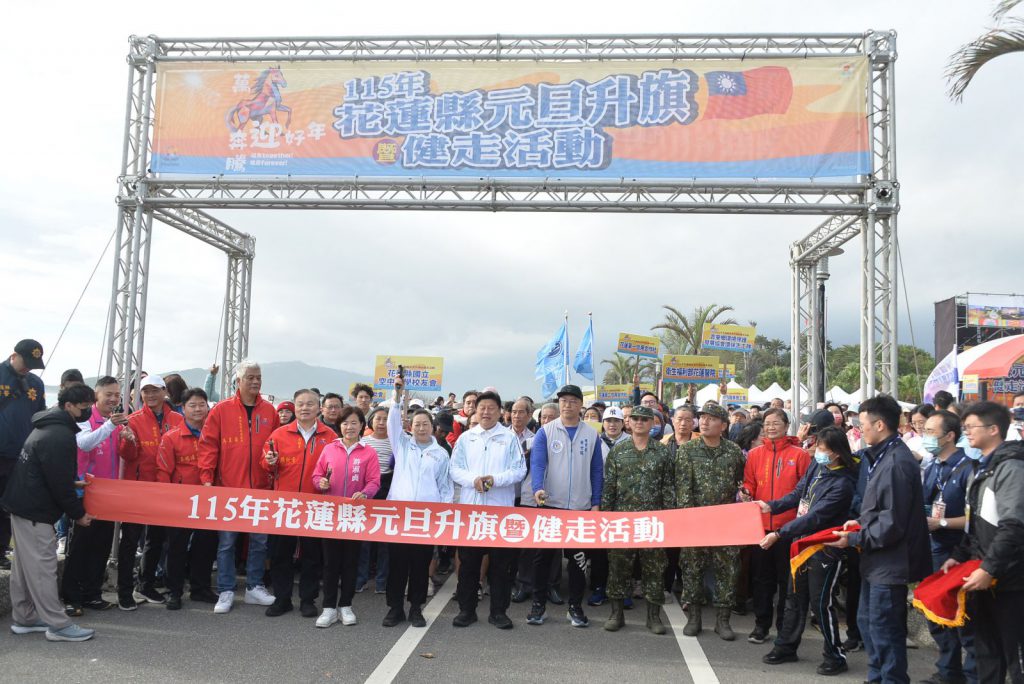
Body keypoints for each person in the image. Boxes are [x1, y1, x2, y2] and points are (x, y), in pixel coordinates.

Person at [827, 394, 931, 684]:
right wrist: (860, 522)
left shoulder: (897, 461)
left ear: (880, 425)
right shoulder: (881, 455)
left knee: (885, 629)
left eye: (863, 425)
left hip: (890, 560)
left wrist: (854, 538)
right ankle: (877, 677)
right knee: (868, 623)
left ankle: (891, 679)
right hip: (876, 559)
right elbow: (880, 508)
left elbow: (892, 522)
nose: (860, 431)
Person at [757, 426, 858, 676]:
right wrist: (771, 506)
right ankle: (786, 646)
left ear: (836, 453)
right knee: (793, 598)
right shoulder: (817, 466)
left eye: (821, 448)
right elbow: (797, 494)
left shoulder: (843, 484)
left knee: (820, 603)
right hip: (800, 544)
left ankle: (835, 655)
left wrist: (779, 533)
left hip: (824, 548)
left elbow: (814, 518)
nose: (816, 451)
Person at [1, 383, 97, 642]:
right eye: (84, 407)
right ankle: (58, 625)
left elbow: (49, 472)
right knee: (44, 567)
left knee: (24, 567)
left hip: (23, 505)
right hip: (35, 510)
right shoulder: (60, 435)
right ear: (68, 406)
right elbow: (59, 483)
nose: (88, 411)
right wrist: (78, 513)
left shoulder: (46, 426)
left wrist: (71, 483)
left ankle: (25, 617)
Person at [941, 401, 1024, 684]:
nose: (966, 432)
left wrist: (989, 568)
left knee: (1014, 659)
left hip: (1010, 579)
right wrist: (959, 555)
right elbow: (974, 523)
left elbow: (1014, 526)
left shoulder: (1011, 468)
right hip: (983, 574)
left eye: (970, 427)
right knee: (987, 653)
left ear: (994, 429)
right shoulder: (982, 468)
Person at [198, 359, 280, 614]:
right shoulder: (221, 410)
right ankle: (226, 590)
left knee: (259, 542)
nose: (255, 382)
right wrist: (207, 478)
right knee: (226, 543)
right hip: (229, 488)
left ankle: (255, 587)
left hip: (261, 489)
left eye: (258, 377)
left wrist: (273, 463)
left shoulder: (270, 411)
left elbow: (276, 444)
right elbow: (208, 446)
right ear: (238, 381)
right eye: (250, 378)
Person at [528, 384, 603, 629]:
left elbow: (596, 470)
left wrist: (595, 502)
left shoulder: (591, 434)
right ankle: (538, 605)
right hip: (551, 504)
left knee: (578, 561)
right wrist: (537, 488)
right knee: (542, 559)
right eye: (563, 401)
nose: (567, 405)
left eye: (572, 401)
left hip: (580, 507)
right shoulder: (545, 431)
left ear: (581, 405)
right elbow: (538, 464)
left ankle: (575, 608)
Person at [381, 374, 453, 629]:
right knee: (397, 565)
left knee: (420, 566)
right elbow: (392, 423)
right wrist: (397, 397)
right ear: (410, 426)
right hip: (400, 517)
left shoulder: (440, 454)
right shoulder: (402, 445)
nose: (421, 428)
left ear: (432, 427)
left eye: (425, 424)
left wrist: (443, 515)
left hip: (425, 519)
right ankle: (395, 608)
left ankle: (415, 609)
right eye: (417, 424)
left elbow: (445, 487)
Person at [450, 390, 526, 629]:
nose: (486, 412)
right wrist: (473, 480)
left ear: (500, 412)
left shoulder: (509, 438)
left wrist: (495, 480)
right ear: (475, 410)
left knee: (501, 567)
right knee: (468, 565)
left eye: (491, 408)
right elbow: (455, 469)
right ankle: (467, 610)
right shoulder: (466, 438)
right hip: (472, 513)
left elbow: (519, 470)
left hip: (499, 512)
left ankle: (499, 612)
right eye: (482, 408)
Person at [261, 389, 335, 618]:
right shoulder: (279, 434)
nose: (305, 408)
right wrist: (269, 461)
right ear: (295, 407)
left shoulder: (330, 436)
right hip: (285, 504)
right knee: (280, 554)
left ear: (319, 408)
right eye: (300, 404)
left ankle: (308, 600)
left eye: (310, 404)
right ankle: (282, 599)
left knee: (311, 555)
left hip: (315, 504)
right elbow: (266, 465)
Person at [602, 406, 674, 635]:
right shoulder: (618, 451)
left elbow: (668, 488)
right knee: (618, 569)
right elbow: (609, 487)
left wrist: (669, 520)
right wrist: (606, 518)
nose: (640, 422)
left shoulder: (662, 452)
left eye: (645, 419)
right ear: (629, 422)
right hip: (622, 522)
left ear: (652, 423)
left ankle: (654, 617)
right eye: (635, 419)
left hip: (652, 523)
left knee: (654, 570)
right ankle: (616, 614)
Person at [676, 401, 745, 640]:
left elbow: (740, 484)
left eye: (711, 418)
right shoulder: (687, 450)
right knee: (692, 568)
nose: (704, 422)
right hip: (696, 520)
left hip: (725, 522)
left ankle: (722, 620)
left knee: (728, 569)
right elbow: (683, 487)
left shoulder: (733, 451)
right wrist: (688, 520)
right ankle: (694, 618)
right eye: (702, 417)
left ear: (723, 425)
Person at [742, 407, 811, 645]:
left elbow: (805, 492)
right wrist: (746, 492)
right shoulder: (754, 454)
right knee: (761, 579)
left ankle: (784, 627)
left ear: (786, 426)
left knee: (786, 581)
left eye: (776, 423)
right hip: (760, 527)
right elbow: (749, 483)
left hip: (789, 528)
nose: (771, 427)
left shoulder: (799, 455)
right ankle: (761, 626)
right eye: (767, 423)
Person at [62, 376, 129, 616]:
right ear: (96, 395)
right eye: (108, 394)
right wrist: (110, 425)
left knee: (101, 546)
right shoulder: (85, 417)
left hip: (108, 494)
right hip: (86, 492)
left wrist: (127, 437)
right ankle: (71, 597)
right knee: (80, 546)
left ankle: (92, 593)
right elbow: (85, 444)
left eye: (117, 395)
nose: (113, 399)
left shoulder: (116, 421)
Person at [117, 374, 184, 609]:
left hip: (165, 489)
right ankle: (124, 591)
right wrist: (128, 441)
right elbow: (127, 456)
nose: (151, 395)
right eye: (146, 391)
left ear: (165, 392)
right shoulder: (133, 420)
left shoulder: (177, 419)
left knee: (156, 539)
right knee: (130, 540)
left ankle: (145, 585)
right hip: (138, 488)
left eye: (155, 390)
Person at [918, 409, 976, 684]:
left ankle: (973, 674)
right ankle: (948, 671)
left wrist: (940, 523)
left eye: (931, 431)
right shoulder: (933, 466)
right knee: (936, 612)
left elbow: (975, 518)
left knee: (964, 617)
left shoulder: (968, 469)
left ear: (950, 435)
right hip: (933, 548)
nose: (925, 436)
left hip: (959, 551)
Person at [313, 406, 380, 628]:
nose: (349, 427)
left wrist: (366, 493)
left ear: (361, 425)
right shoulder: (329, 449)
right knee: (330, 563)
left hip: (354, 514)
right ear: (339, 426)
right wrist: (320, 482)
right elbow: (317, 474)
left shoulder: (368, 452)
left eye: (353, 423)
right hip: (331, 514)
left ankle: (346, 605)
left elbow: (374, 481)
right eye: (344, 423)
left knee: (351, 562)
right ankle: (329, 608)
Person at [155, 388, 219, 609]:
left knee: (206, 546)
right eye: (192, 405)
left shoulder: (214, 435)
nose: (198, 409)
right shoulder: (171, 437)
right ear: (182, 408)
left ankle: (200, 588)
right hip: (181, 502)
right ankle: (174, 591)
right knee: (176, 548)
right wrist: (167, 501)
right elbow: (163, 471)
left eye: (202, 404)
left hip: (208, 500)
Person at [0, 339, 48, 569]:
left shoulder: (36, 384)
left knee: (8, 506)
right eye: (25, 362)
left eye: (32, 365)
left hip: (19, 456)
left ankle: (1, 551)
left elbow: (40, 417)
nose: (28, 368)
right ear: (13, 355)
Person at [356, 405, 394, 595]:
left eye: (386, 419)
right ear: (370, 421)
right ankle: (360, 579)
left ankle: (382, 581)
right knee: (363, 538)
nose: (381, 423)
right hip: (366, 490)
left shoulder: (396, 442)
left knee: (384, 539)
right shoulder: (363, 442)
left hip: (388, 488)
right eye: (378, 418)